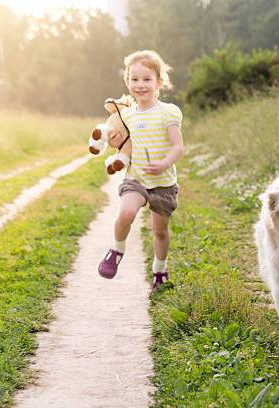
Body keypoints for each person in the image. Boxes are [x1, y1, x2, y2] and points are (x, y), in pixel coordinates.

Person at [98, 50, 184, 293]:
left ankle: (160, 270)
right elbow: (116, 139)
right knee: (126, 213)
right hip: (136, 179)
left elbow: (178, 145)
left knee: (160, 231)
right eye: (134, 79)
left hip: (163, 183)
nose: (140, 85)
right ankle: (116, 250)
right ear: (127, 81)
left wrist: (165, 162)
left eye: (147, 79)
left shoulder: (168, 112)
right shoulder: (125, 115)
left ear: (159, 82)